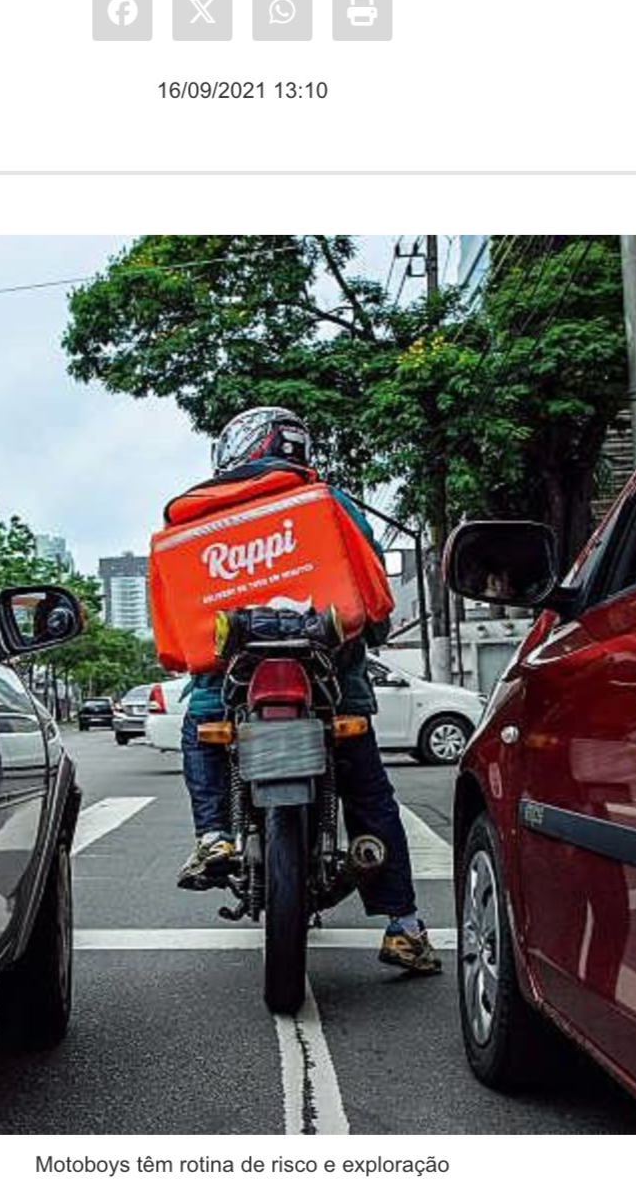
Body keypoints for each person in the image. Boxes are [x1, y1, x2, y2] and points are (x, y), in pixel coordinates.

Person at [168, 406, 440, 978]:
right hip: (333, 683)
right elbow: (371, 586)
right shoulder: (328, 502)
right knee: (370, 796)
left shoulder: (202, 513)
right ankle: (405, 926)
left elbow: (181, 606)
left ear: (237, 450)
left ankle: (214, 834)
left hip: (227, 684)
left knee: (200, 728)